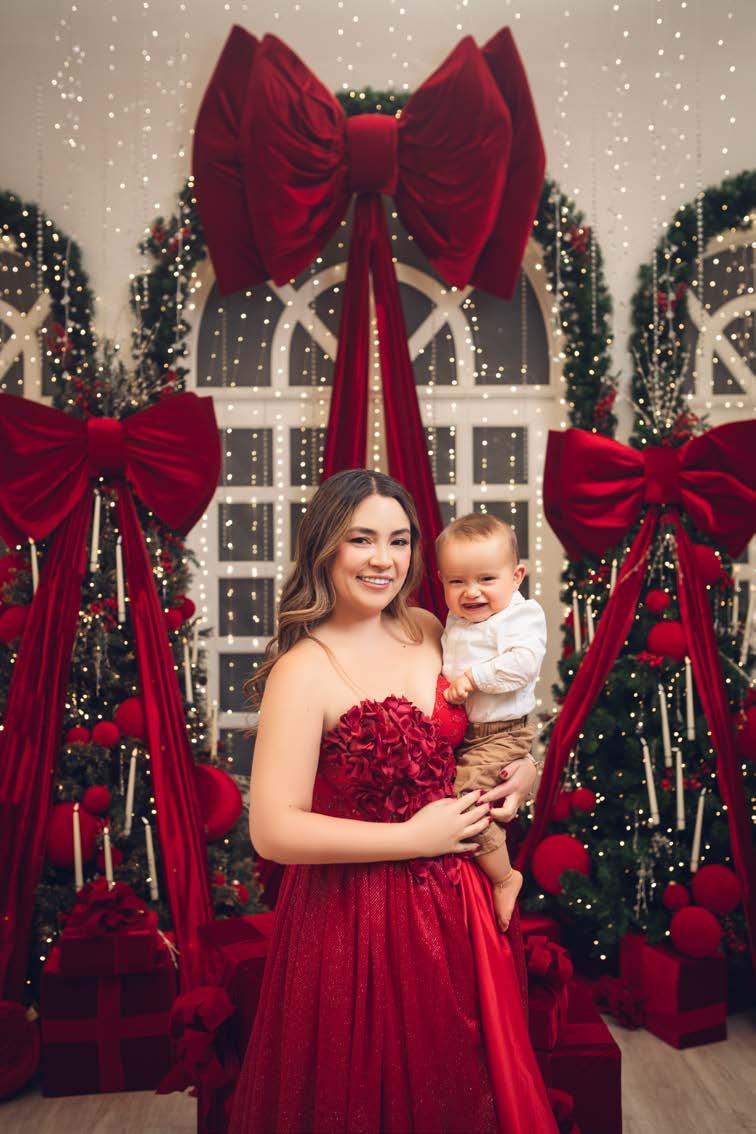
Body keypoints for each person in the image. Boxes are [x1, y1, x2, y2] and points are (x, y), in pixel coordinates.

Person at [229, 469, 557, 1134]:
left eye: (399, 540)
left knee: (466, 1088)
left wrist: (525, 769)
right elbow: (272, 830)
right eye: (362, 539)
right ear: (325, 546)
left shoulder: (434, 628)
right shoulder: (303, 669)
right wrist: (412, 839)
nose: (384, 559)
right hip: (355, 921)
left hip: (462, 902)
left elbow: (493, 725)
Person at [438, 513, 547, 934]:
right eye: (457, 581)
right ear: (442, 580)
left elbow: (523, 664)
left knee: (468, 802)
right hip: (469, 734)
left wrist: (473, 679)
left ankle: (504, 877)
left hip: (503, 733)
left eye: (486, 579)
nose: (471, 592)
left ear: (516, 576)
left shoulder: (519, 616)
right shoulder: (455, 619)